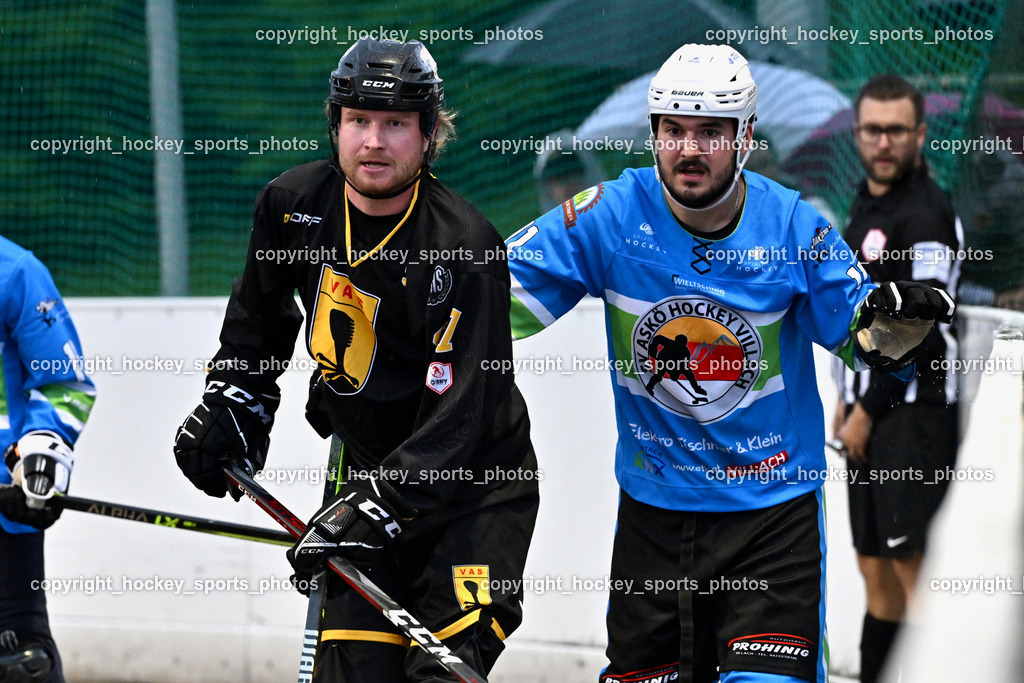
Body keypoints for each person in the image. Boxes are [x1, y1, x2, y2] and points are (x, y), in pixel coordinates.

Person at [505, 44, 954, 683]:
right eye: (673, 130)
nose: (689, 150)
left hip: (773, 520)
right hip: (654, 516)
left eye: (711, 132)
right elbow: (485, 301)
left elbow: (866, 340)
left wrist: (897, 330)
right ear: (653, 133)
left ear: (745, 136)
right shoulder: (609, 214)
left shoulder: (794, 227)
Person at [172, 38, 539, 682]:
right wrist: (235, 403)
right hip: (365, 471)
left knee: (441, 676)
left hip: (472, 494)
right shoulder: (291, 206)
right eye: (358, 120)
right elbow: (258, 323)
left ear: (429, 134)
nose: (373, 141)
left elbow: (459, 418)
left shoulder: (463, 246)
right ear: (334, 124)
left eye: (395, 123)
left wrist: (376, 507)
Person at [832, 74, 962, 683]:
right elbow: (855, 312)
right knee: (873, 569)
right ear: (857, 134)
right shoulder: (864, 204)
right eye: (873, 130)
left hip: (912, 415)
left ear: (920, 133)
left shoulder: (926, 213)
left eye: (897, 131)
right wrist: (846, 396)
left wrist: (866, 410)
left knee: (913, 568)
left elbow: (923, 322)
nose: (884, 143)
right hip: (865, 412)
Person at [0, 235, 97, 683]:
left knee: (21, 666)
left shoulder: (15, 271)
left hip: (6, 515)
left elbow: (65, 384)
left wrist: (42, 447)